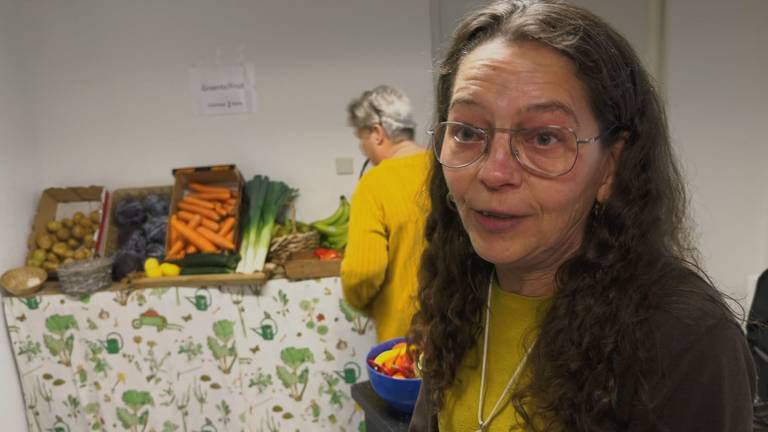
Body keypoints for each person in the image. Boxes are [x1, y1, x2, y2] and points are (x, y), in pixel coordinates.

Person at [408, 1, 756, 431]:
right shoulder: (461, 286)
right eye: (466, 132)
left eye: (544, 137)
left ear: (611, 166)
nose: (494, 172)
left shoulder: (686, 341)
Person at [341, 85, 431, 342]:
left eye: (363, 141)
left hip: (407, 334)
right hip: (463, 328)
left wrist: (366, 305)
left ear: (378, 133)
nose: (364, 151)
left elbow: (362, 272)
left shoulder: (375, 184)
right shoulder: (447, 171)